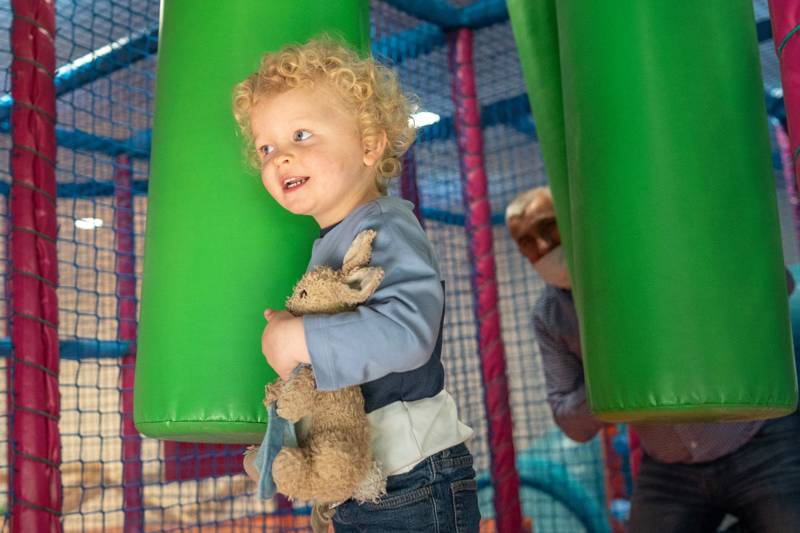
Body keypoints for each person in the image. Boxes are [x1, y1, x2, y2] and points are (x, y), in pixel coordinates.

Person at [232, 38, 479, 532]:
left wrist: (297, 339)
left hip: (412, 480)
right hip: (372, 483)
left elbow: (408, 335)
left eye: (302, 135)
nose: (279, 157)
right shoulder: (332, 239)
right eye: (266, 147)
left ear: (369, 144)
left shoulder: (385, 227)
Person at [507, 186, 800, 533]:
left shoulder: (655, 253)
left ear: (575, 223)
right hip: (670, 467)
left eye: (548, 229)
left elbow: (780, 285)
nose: (541, 248)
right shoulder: (551, 316)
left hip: (756, 439)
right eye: (527, 243)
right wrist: (619, 377)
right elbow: (570, 421)